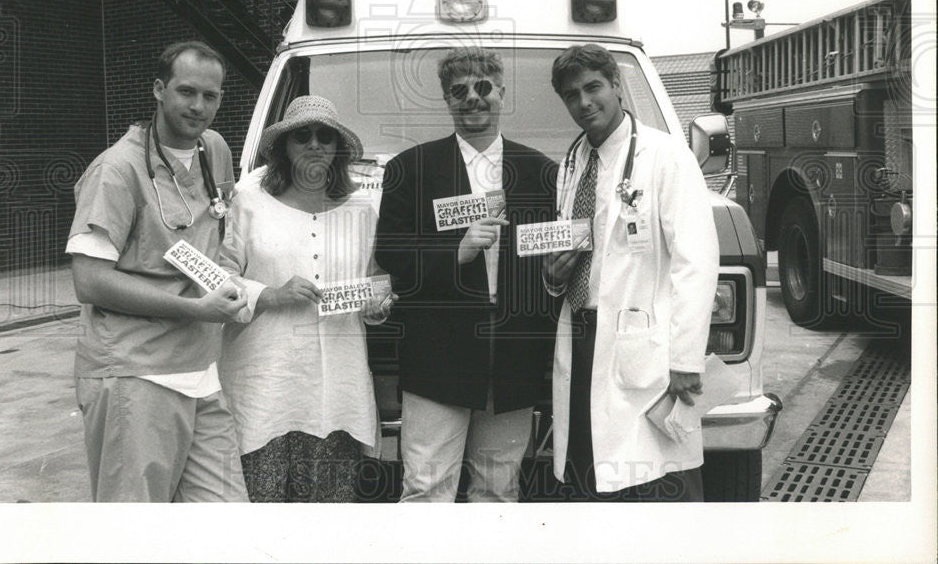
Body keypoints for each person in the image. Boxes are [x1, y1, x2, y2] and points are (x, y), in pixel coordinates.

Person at [67, 40, 249, 502]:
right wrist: (194, 308)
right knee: (135, 534)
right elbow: (89, 281)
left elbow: (218, 228)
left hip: (200, 370)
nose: (198, 107)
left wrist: (226, 281)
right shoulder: (117, 170)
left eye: (211, 96)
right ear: (158, 90)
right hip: (135, 372)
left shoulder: (214, 150)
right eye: (186, 92)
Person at [374, 48, 557, 502]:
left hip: (515, 353)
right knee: (425, 486)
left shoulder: (541, 171)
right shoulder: (410, 169)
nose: (472, 99)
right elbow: (391, 254)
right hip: (438, 354)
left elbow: (554, 256)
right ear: (445, 99)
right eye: (459, 91)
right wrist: (454, 251)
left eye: (483, 88)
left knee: (498, 489)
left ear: (501, 92)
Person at [542, 43, 719, 501]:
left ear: (616, 85)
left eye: (593, 87)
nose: (584, 102)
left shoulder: (665, 156)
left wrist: (685, 359)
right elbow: (572, 248)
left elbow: (695, 260)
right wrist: (555, 277)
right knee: (590, 473)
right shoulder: (572, 161)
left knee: (655, 482)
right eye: (571, 94)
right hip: (582, 340)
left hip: (645, 351)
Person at [218, 95, 393, 502]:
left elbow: (375, 278)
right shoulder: (249, 202)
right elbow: (218, 277)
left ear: (337, 147)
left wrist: (378, 303)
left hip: (335, 390)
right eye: (302, 135)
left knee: (328, 521)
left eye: (324, 135)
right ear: (284, 147)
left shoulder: (362, 209)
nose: (314, 144)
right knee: (263, 516)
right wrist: (269, 295)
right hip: (264, 386)